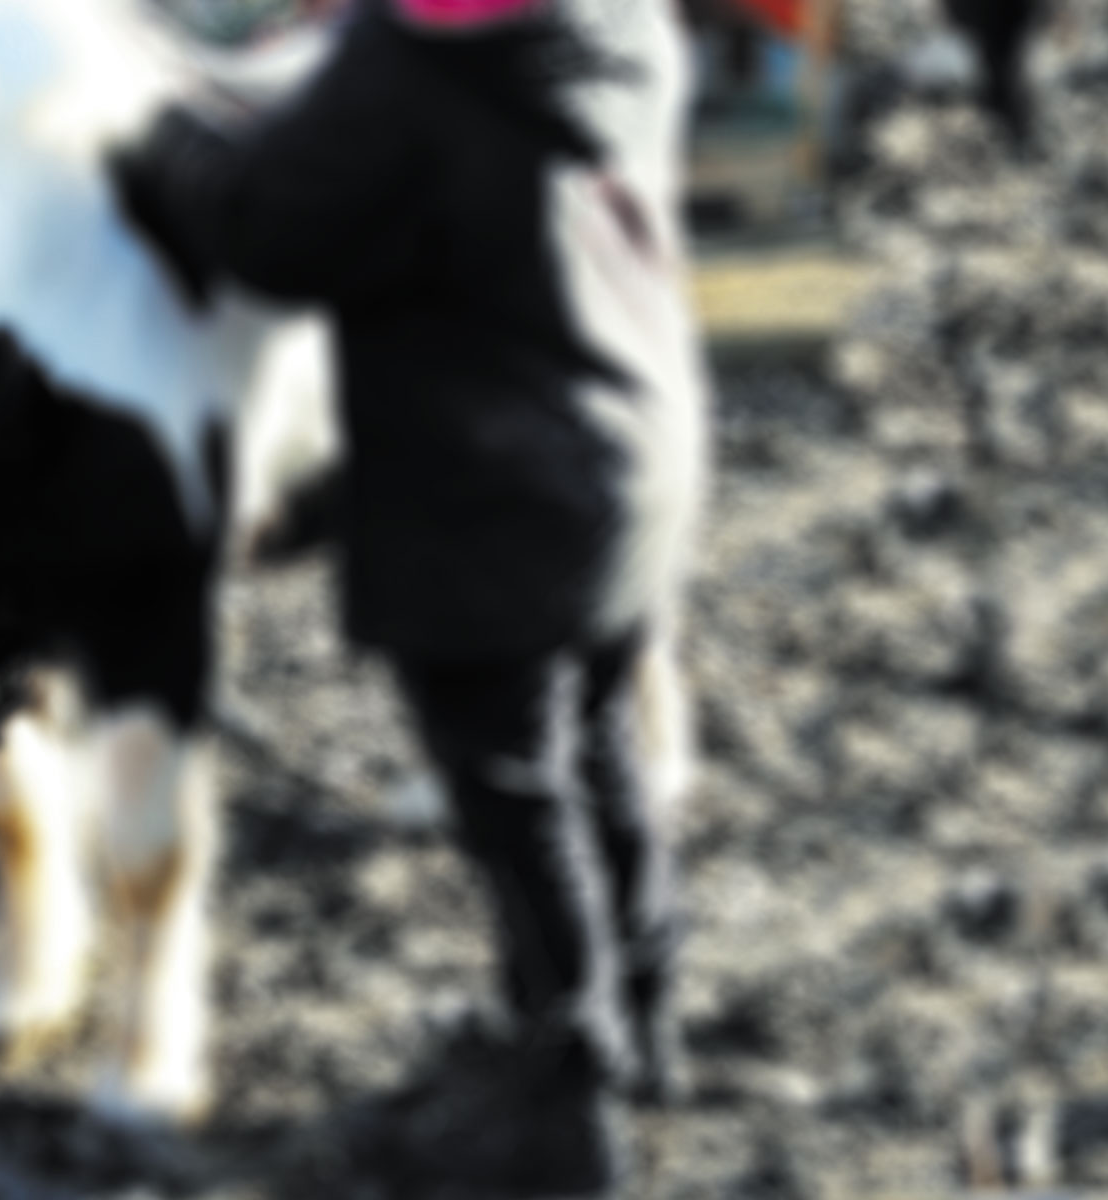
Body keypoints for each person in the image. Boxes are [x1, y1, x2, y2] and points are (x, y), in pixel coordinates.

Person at [112, 0, 711, 1170]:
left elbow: (268, 230)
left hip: (490, 481)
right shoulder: (612, 24)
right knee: (593, 747)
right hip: (625, 441)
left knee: (514, 786)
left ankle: (566, 1086)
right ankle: (641, 1027)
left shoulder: (415, 58)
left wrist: (154, 128)